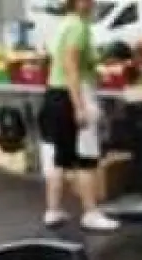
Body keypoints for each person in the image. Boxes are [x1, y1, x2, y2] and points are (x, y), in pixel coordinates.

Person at [39, 0, 119, 232]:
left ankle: (53, 210)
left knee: (61, 156)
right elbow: (71, 65)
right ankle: (91, 212)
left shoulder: (63, 25)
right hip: (75, 93)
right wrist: (79, 106)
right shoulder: (78, 28)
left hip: (55, 92)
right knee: (86, 156)